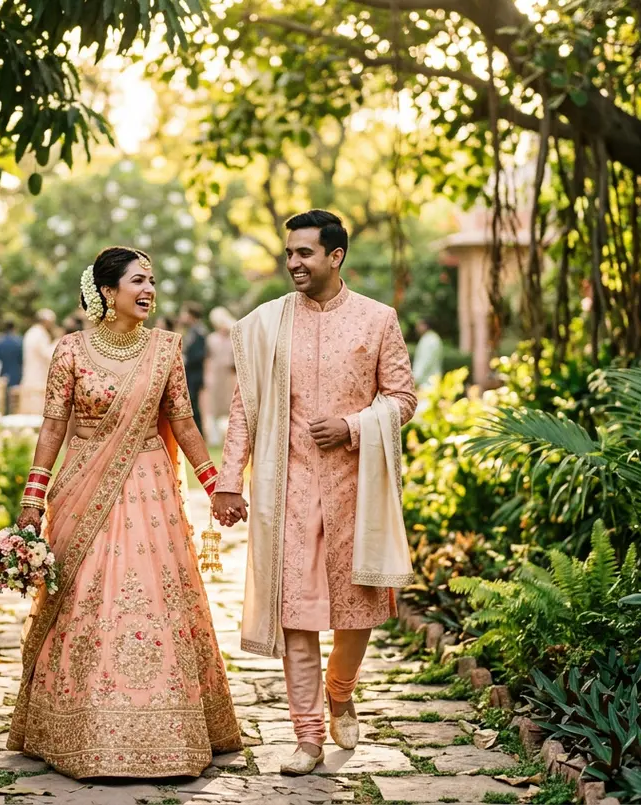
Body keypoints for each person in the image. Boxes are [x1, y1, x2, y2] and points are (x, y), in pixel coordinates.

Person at [6, 246, 241, 779]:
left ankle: (171, 730)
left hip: (151, 490)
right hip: (82, 490)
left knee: (156, 594)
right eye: (138, 280)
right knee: (85, 597)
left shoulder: (165, 349)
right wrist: (32, 498)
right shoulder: (71, 350)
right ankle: (77, 728)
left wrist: (217, 486)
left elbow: (182, 423)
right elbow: (52, 427)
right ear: (108, 292)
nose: (149, 290)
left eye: (152, 280)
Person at [212, 210, 417, 775]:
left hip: (357, 489)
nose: (294, 263)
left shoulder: (378, 320)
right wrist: (230, 479)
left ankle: (341, 690)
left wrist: (353, 426)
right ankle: (306, 739)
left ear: (336, 256)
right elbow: (243, 410)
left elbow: (402, 398)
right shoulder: (267, 325)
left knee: (357, 614)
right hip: (290, 490)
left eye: (305, 253)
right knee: (296, 616)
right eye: (290, 253)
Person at [204, 307, 236, 445]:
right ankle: (215, 438)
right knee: (214, 405)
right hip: (216, 375)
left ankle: (231, 436)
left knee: (230, 404)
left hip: (230, 375)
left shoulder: (233, 337)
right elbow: (208, 359)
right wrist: (208, 376)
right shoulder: (211, 339)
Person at [178, 303, 208, 438]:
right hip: (190, 374)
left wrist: (186, 360)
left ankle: (199, 433)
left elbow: (200, 354)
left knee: (194, 405)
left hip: (195, 375)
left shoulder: (200, 331)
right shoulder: (190, 331)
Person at [19, 309, 57, 415]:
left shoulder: (31, 332)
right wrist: (57, 343)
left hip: (31, 374)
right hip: (37, 376)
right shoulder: (40, 334)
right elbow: (48, 355)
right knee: (36, 409)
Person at [0, 319, 24, 415]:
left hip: (4, 369)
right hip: (16, 370)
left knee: (4, 395)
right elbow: (21, 358)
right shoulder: (19, 341)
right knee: (15, 398)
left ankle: (5, 413)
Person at [411, 318, 444, 389]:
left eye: (419, 325)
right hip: (434, 382)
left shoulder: (428, 340)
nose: (417, 327)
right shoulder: (434, 338)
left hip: (426, 385)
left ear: (425, 326)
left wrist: (414, 381)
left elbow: (423, 362)